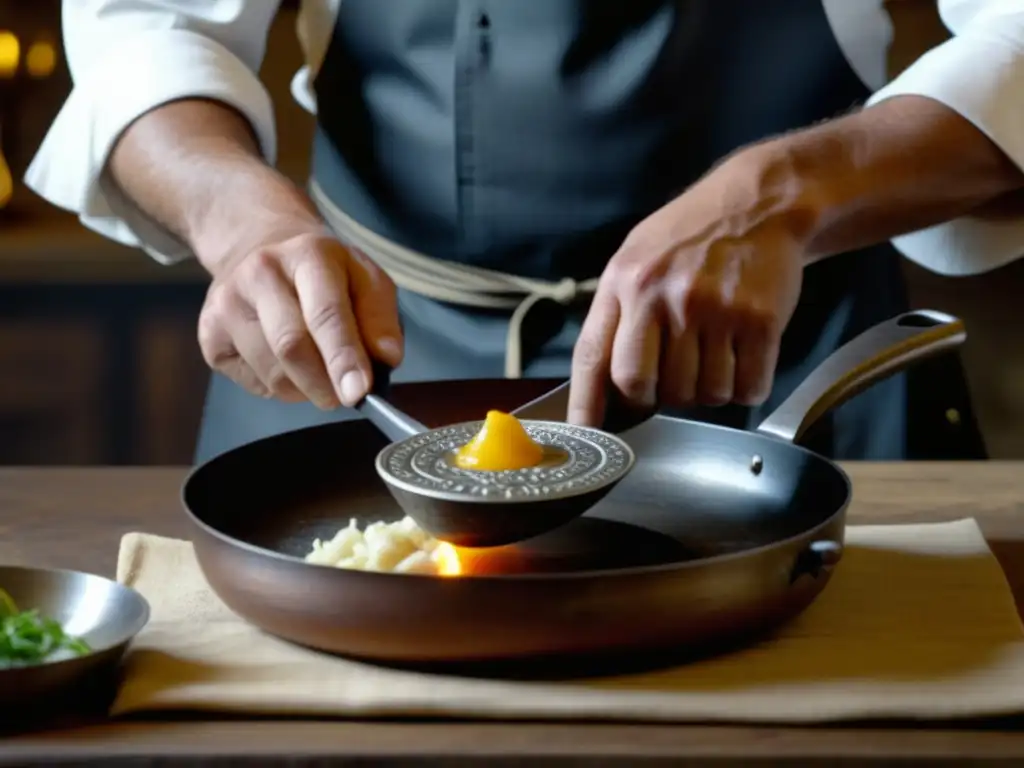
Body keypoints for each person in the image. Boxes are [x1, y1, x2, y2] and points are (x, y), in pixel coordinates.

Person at [26, 1, 1024, 464]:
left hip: (784, 381)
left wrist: (782, 189)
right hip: (355, 374)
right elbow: (145, 29)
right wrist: (239, 219)